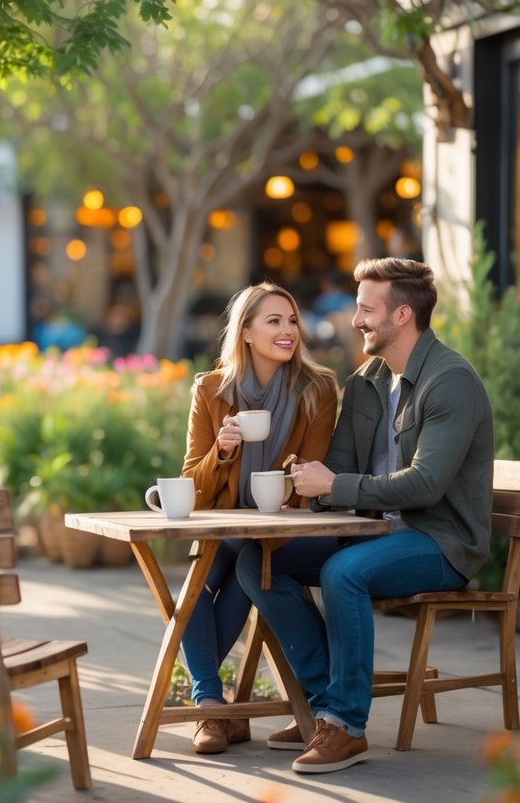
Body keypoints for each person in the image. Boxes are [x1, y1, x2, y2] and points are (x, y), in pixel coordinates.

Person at [234, 258, 494, 774]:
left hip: (441, 541)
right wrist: (295, 471)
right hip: (375, 531)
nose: (355, 320)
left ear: (402, 315)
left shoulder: (451, 381)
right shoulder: (368, 380)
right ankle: (322, 705)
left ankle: (347, 727)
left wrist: (333, 484)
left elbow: (425, 485)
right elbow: (342, 471)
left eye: (366, 309)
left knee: (343, 572)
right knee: (257, 560)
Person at [178, 282, 338, 755]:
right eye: (274, 321)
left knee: (239, 563)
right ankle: (211, 703)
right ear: (245, 332)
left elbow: (311, 476)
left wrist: (286, 494)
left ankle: (211, 708)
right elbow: (193, 484)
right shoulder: (210, 390)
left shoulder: (317, 389)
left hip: (284, 530)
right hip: (226, 527)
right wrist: (222, 451)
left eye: (292, 321)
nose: (288, 331)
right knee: (202, 574)